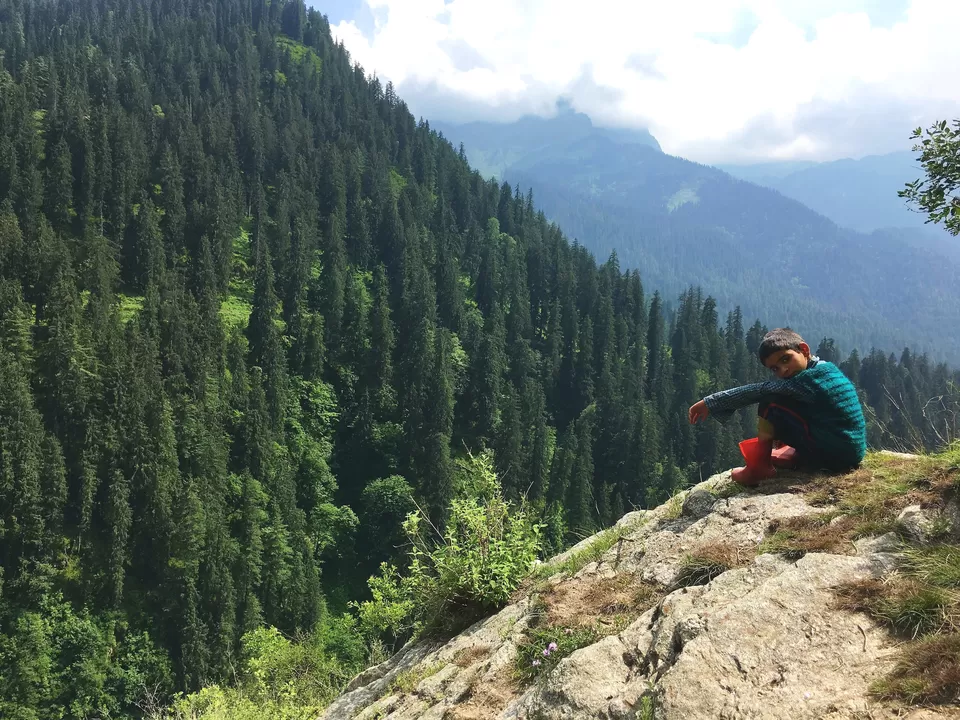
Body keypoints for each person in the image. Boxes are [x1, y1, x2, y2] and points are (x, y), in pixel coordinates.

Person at [688, 328, 866, 486]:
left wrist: (711, 402)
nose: (783, 370)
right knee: (789, 403)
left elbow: (759, 391)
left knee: (771, 402)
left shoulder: (807, 382)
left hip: (835, 457)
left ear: (803, 350)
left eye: (786, 359)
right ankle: (794, 454)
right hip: (851, 452)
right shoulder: (825, 369)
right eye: (775, 368)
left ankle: (759, 468)